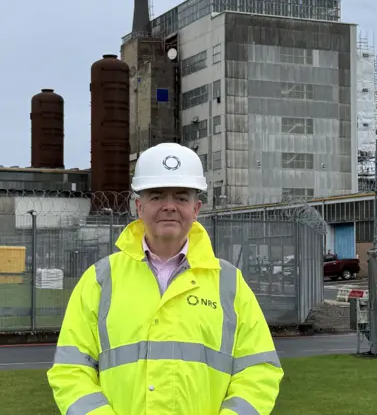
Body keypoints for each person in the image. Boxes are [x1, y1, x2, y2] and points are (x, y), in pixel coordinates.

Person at [47, 142, 283, 414]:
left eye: (181, 197)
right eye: (157, 196)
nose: (169, 206)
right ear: (139, 206)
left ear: (196, 209)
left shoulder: (229, 283)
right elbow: (70, 371)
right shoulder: (100, 281)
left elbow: (258, 371)